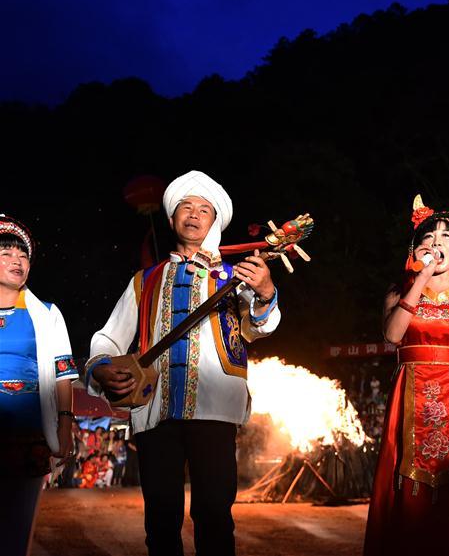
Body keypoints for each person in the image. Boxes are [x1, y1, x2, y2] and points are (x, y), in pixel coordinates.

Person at [84, 171, 281, 556]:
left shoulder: (233, 277)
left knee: (214, 514)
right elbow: (108, 337)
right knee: (160, 516)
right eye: (185, 208)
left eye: (204, 209)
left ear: (214, 221)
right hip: (154, 412)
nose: (194, 215)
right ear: (172, 218)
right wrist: (102, 367)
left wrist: (266, 291)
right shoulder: (144, 280)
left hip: (215, 412)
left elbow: (262, 327)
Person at [363, 187, 449, 556]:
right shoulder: (399, 292)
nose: (437, 242)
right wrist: (421, 279)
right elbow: (393, 335)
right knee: (407, 493)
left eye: (447, 237)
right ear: (416, 248)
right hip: (409, 400)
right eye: (429, 237)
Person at [0, 215, 77, 556]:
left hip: (28, 438)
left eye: (23, 254)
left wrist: (65, 425)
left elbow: (63, 375)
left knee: (17, 531)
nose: (18, 260)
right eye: (6, 252)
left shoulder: (46, 314)